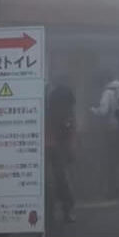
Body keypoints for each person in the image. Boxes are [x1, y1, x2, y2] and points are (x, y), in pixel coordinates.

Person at [89, 72, 119, 201]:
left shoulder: (108, 92)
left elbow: (103, 111)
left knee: (111, 162)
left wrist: (93, 110)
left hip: (112, 129)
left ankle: (113, 191)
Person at [45, 77, 77, 224]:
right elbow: (69, 133)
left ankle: (49, 213)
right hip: (59, 148)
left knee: (49, 181)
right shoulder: (67, 113)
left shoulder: (48, 107)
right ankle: (66, 210)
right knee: (61, 180)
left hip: (47, 147)